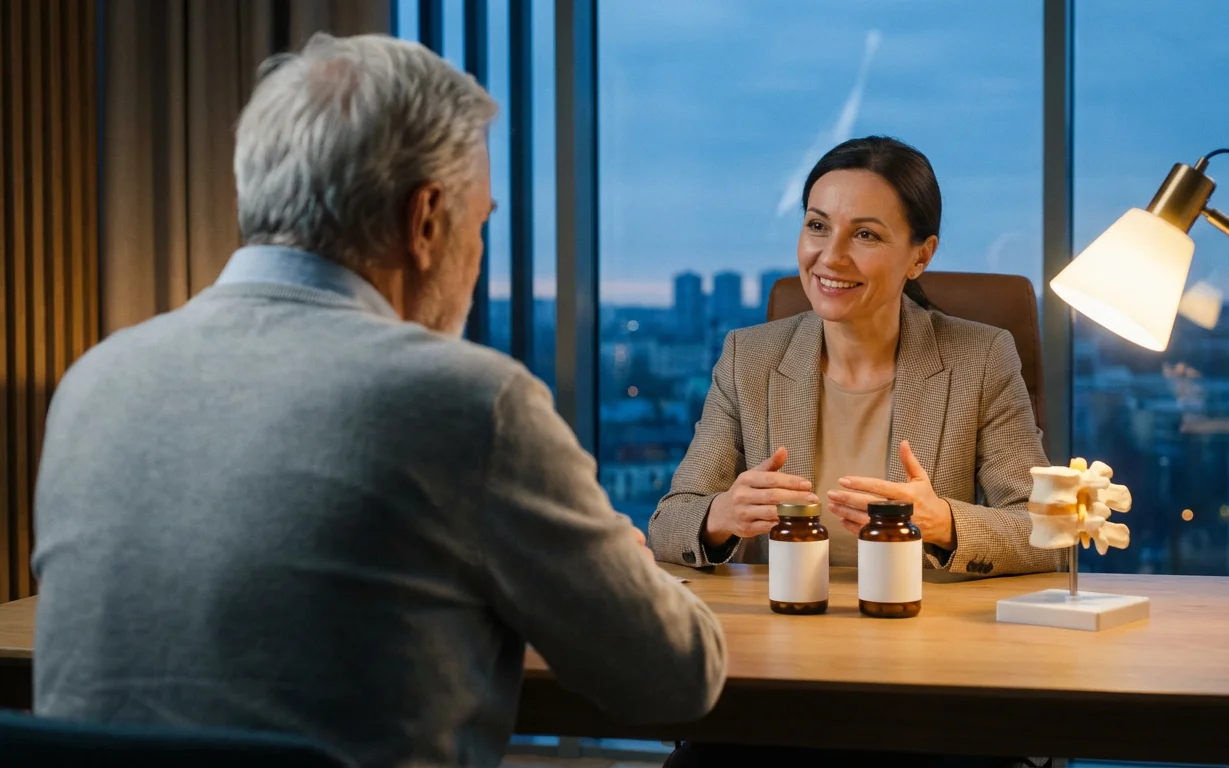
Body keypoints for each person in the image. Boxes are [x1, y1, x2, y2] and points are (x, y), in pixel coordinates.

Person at [31, 34, 725, 768]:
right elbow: (676, 678)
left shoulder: (93, 381)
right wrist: (620, 566)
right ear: (425, 221)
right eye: (480, 222)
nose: (478, 256)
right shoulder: (469, 403)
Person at [649, 136, 1062, 578]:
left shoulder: (981, 359)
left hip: (922, 615)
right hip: (788, 612)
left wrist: (942, 522)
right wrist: (721, 515)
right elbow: (667, 525)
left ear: (920, 256)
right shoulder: (748, 359)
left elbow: (1047, 534)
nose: (831, 257)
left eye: (865, 234)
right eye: (817, 226)